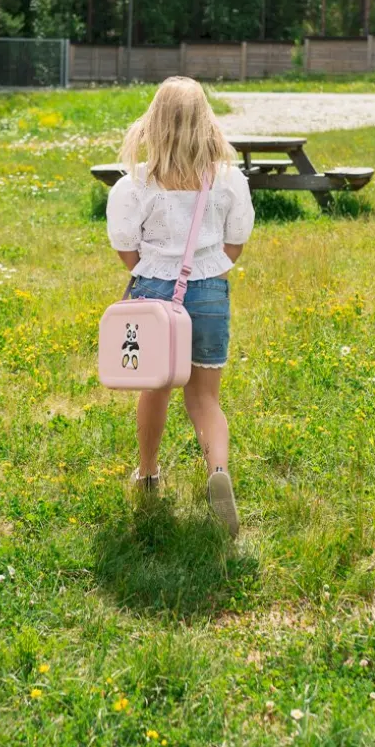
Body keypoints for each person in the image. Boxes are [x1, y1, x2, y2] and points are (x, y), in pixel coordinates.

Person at [105, 77, 254, 533]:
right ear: (205, 123)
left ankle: (148, 473)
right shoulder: (228, 181)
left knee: (155, 388)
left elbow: (125, 245)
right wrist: (205, 268)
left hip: (153, 293)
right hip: (209, 289)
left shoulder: (135, 185)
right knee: (206, 398)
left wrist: (153, 268)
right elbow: (236, 242)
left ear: (154, 123)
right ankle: (218, 472)